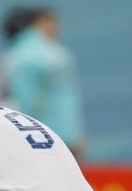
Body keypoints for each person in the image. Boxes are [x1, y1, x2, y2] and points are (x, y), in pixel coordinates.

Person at [7, 9, 86, 159]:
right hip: (49, 135)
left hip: (47, 135)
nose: (56, 27)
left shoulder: (26, 51)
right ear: (39, 23)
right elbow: (27, 99)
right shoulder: (42, 53)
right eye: (51, 22)